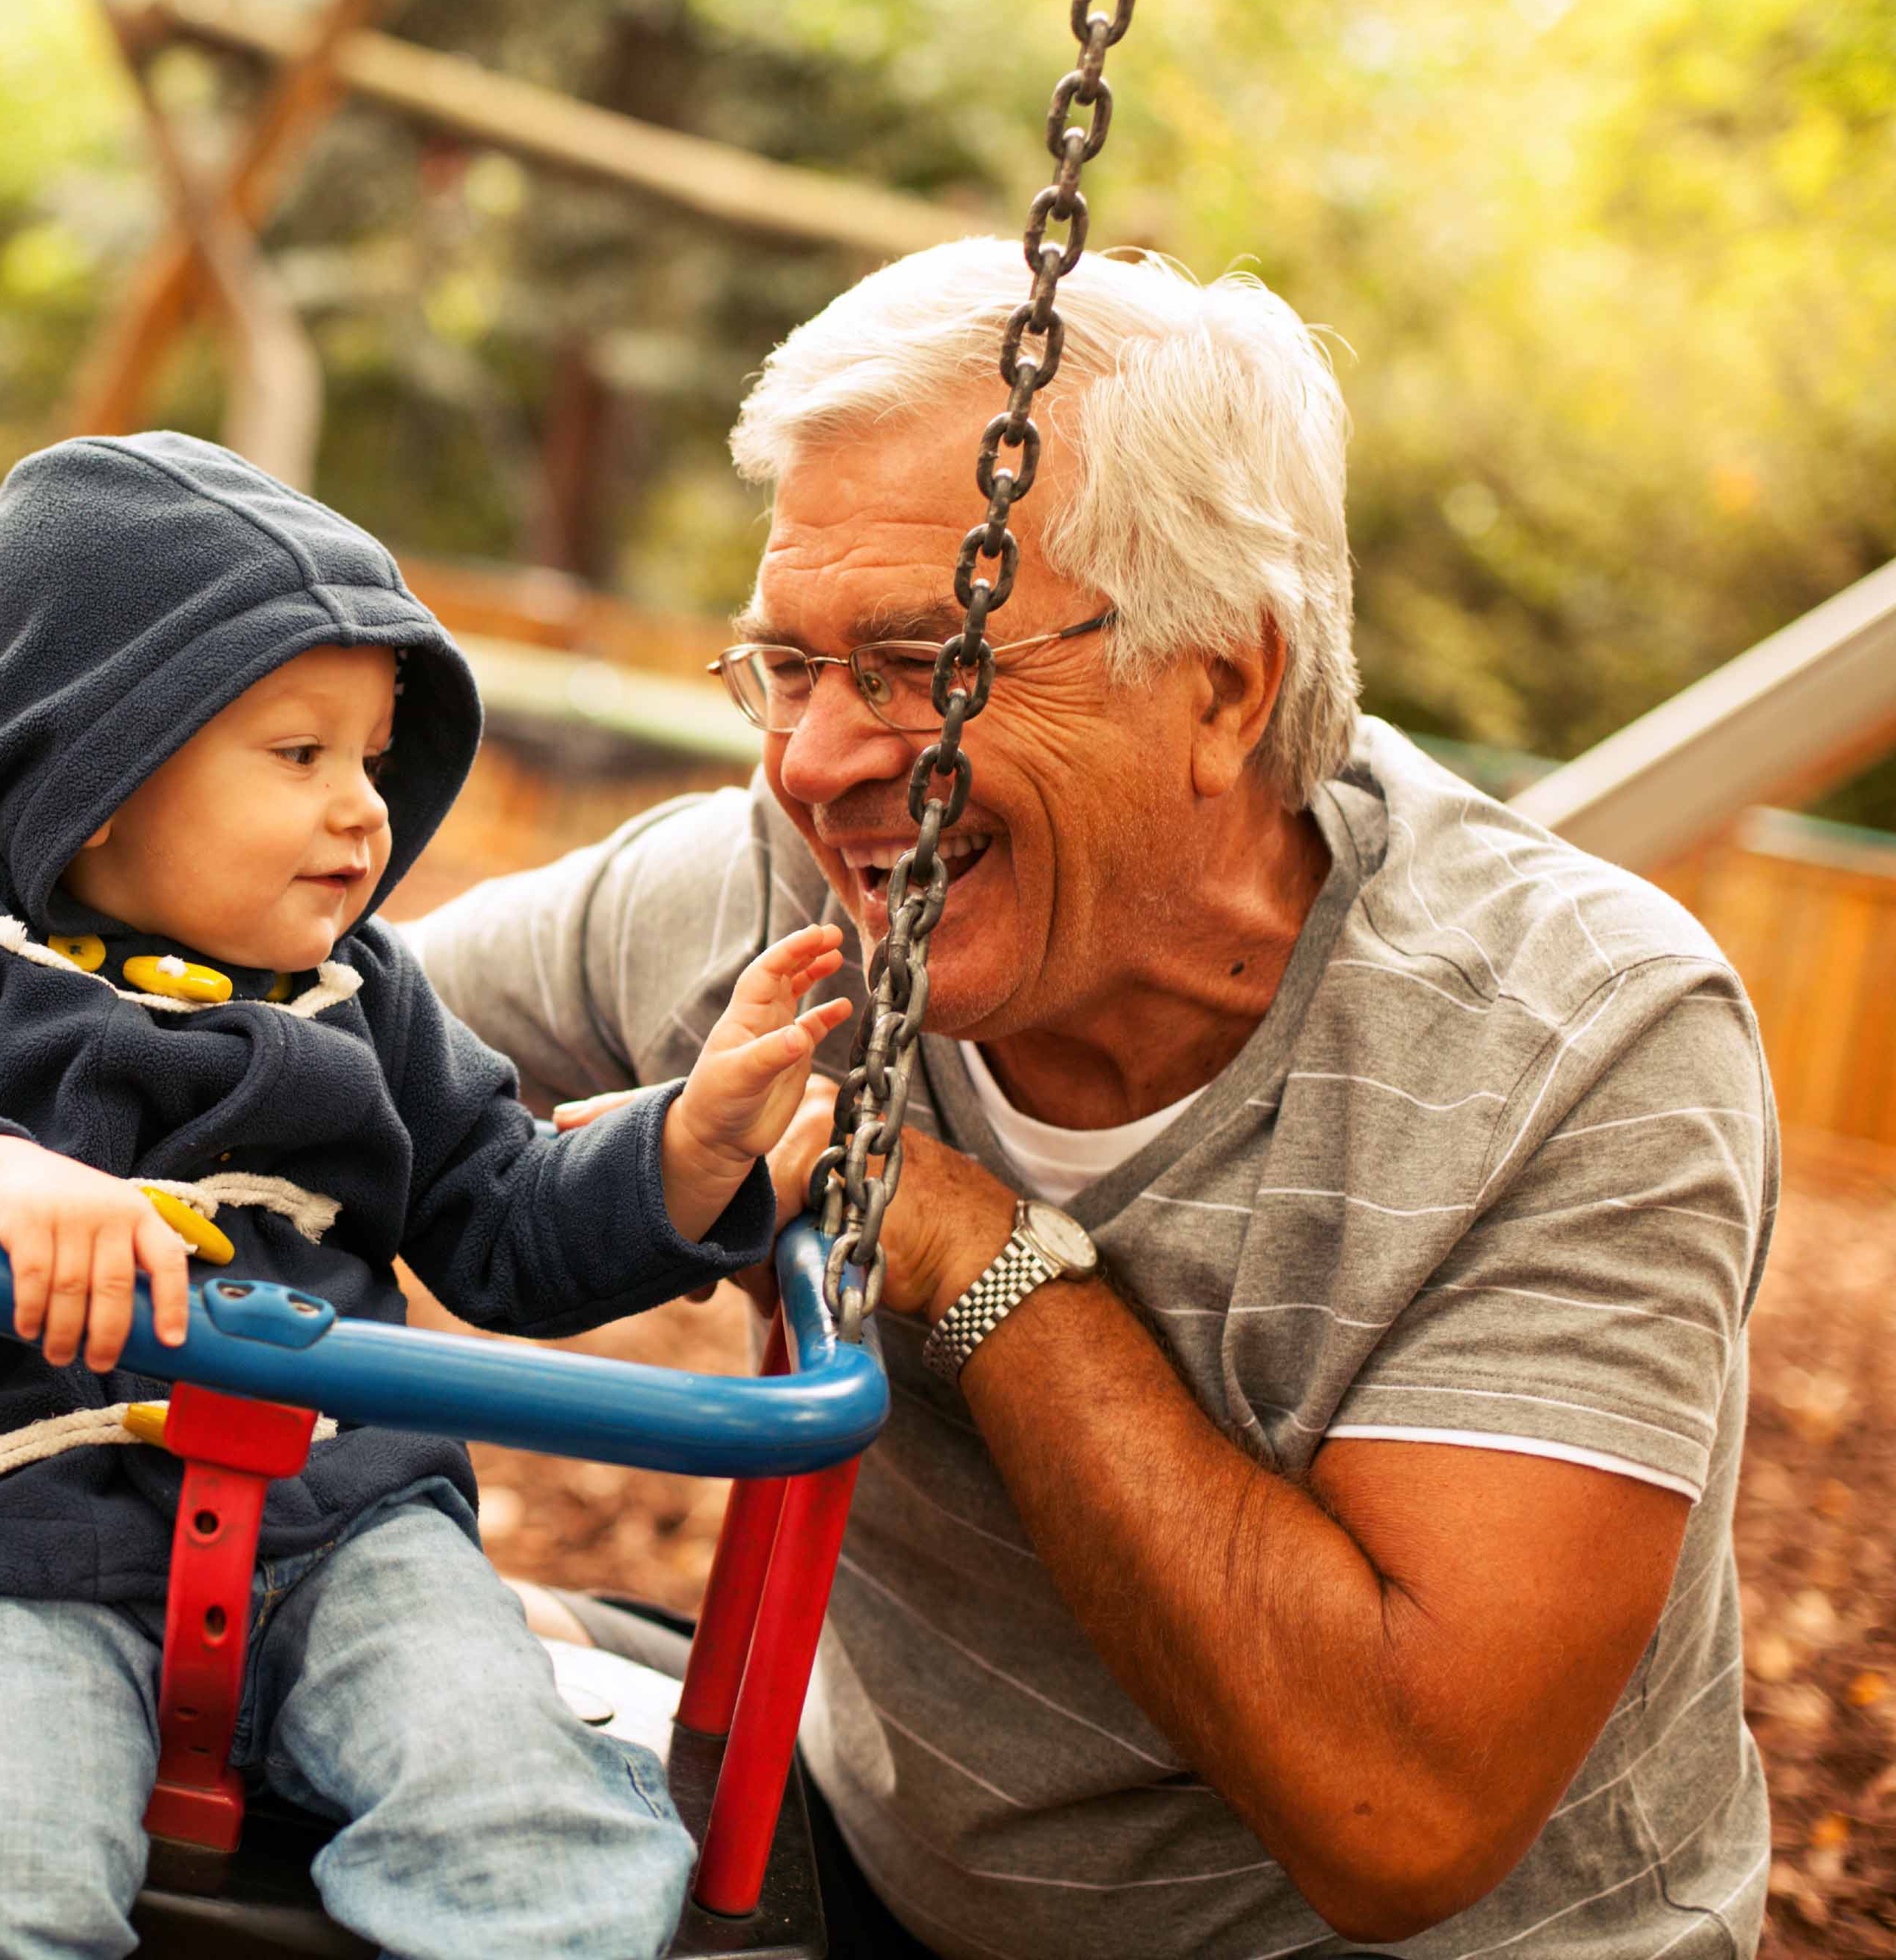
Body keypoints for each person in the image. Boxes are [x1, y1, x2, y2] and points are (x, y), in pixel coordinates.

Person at [412, 237, 1775, 1957]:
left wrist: (983, 1261)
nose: (819, 759)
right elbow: (316, 1021)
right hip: (870, 1849)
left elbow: (1402, 1812)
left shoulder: (1578, 1045)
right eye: (788, 666)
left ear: (1225, 684)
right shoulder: (778, 893)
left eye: (922, 662)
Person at [0, 430, 853, 1960]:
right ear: (95, 773)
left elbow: (503, 1221)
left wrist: (685, 1149)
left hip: (347, 1527)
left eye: (373, 758)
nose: (363, 808)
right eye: (299, 754)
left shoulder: (366, 994)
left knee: (530, 1836)